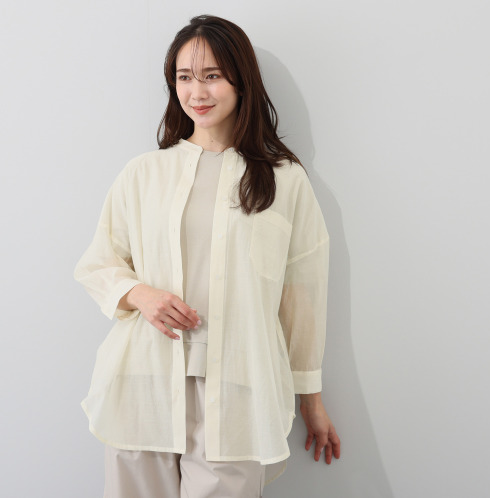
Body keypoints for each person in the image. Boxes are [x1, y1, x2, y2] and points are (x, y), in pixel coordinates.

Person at [74, 14, 340, 498]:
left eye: (212, 75)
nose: (196, 91)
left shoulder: (283, 179)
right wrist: (141, 294)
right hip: (144, 381)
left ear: (241, 80)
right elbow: (98, 263)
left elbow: (302, 296)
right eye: (184, 77)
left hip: (239, 385)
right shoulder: (143, 173)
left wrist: (311, 400)